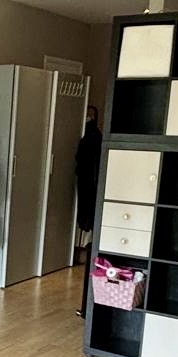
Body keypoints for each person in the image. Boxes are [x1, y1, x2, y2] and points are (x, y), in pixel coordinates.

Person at [74, 105, 103, 317]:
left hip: (89, 188)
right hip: (90, 187)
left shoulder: (92, 139)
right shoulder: (93, 139)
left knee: (88, 216)